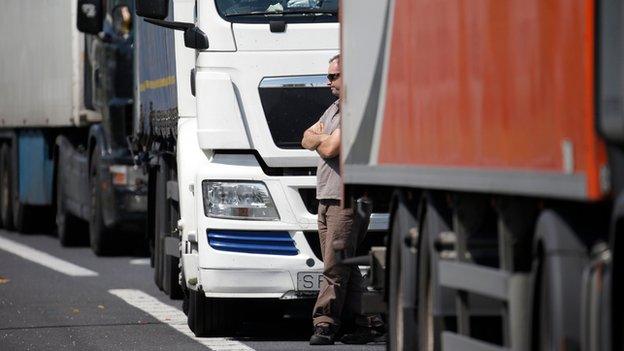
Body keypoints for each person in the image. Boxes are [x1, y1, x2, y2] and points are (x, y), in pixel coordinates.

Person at [301, 54, 384, 345]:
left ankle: (324, 323)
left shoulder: (355, 108)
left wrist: (321, 139)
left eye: (334, 76)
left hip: (345, 199)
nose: (328, 82)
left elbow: (329, 148)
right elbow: (305, 137)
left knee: (334, 267)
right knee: (342, 264)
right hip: (326, 197)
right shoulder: (334, 108)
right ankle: (369, 321)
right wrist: (320, 138)